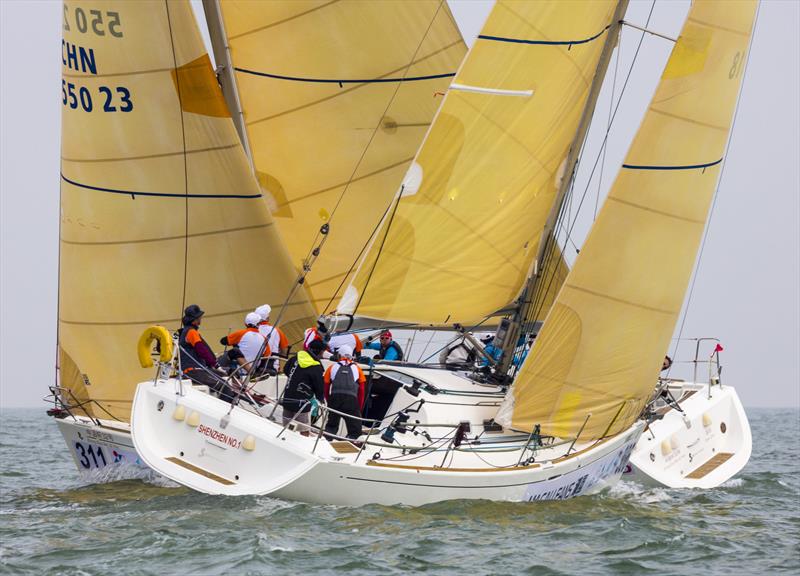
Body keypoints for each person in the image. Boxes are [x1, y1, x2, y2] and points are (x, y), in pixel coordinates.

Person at [179, 304, 231, 401]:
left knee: (227, 378)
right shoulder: (191, 332)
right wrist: (215, 365)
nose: (201, 319)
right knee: (225, 387)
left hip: (196, 368)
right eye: (200, 317)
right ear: (195, 319)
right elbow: (202, 350)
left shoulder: (187, 331)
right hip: (194, 370)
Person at [281, 339, 326, 435]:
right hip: (302, 404)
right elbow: (319, 388)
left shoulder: (295, 358)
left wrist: (295, 379)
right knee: (304, 429)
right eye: (322, 352)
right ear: (320, 351)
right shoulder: (316, 367)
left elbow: (285, 370)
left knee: (287, 428)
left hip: (287, 398)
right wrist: (321, 399)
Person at [323, 345, 366, 440]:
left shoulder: (331, 367)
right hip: (351, 401)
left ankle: (326, 441)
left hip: (334, 399)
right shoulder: (358, 369)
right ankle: (351, 443)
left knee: (331, 426)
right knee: (355, 430)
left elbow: (325, 387)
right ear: (351, 356)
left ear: (339, 355)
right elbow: (362, 390)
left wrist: (329, 400)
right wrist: (359, 406)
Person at [255, 304, 288, 371]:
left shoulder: (250, 331)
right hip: (273, 367)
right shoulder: (277, 331)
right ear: (267, 318)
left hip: (252, 367)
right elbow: (284, 352)